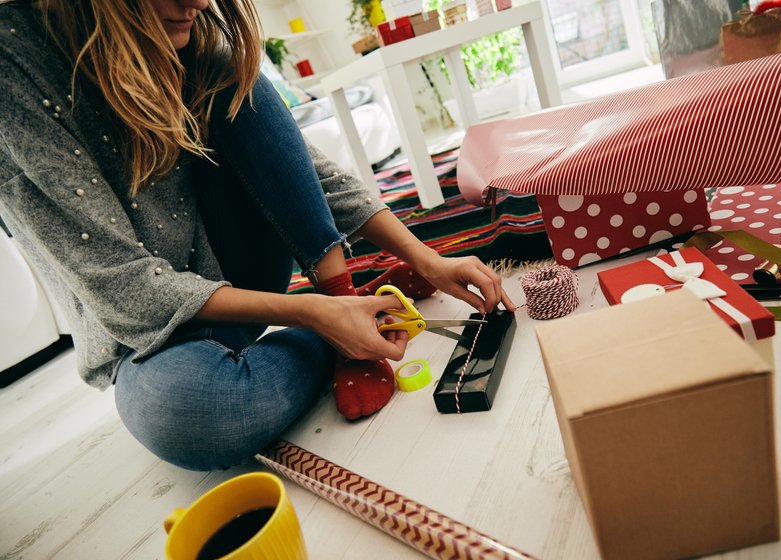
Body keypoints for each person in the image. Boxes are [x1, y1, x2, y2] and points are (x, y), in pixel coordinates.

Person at [0, 0, 514, 471]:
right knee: (190, 415)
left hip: (243, 268)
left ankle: (346, 300)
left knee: (235, 72)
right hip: (144, 329)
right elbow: (119, 286)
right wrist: (312, 315)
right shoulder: (13, 66)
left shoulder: (192, 34)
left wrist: (427, 259)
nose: (200, 3)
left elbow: (301, 175)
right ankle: (343, 322)